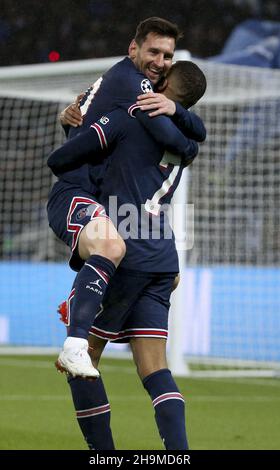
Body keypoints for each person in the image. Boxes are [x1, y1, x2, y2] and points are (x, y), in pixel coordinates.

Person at [48, 60, 207, 450]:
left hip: (126, 253)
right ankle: (179, 455)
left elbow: (71, 159)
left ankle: (103, 456)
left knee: (82, 361)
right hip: (164, 258)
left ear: (162, 85)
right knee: (155, 368)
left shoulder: (130, 118)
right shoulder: (183, 141)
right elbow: (189, 138)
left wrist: (73, 126)